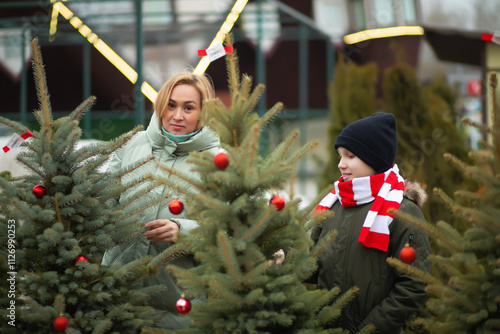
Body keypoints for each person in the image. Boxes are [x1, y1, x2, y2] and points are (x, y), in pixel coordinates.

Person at [101, 71, 220, 330]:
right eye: (171, 105)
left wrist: (182, 231)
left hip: (179, 310)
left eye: (189, 108)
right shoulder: (133, 145)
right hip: (118, 298)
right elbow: (104, 203)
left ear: (203, 112)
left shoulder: (217, 162)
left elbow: (229, 230)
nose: (177, 115)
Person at [311, 112, 432, 333]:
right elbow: (312, 263)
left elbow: (414, 286)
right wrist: (283, 257)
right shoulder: (333, 206)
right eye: (340, 156)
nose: (341, 164)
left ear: (374, 158)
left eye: (350, 156)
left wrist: (368, 330)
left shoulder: (403, 212)